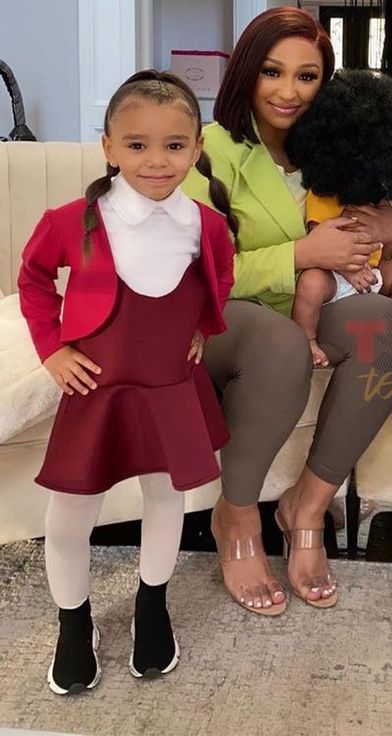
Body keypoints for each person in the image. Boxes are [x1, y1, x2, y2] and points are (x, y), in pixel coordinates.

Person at [183, 8, 392, 612]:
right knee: (282, 341)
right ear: (244, 75)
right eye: (271, 71)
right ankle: (236, 516)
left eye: (307, 76)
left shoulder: (332, 151)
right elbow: (193, 268)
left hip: (313, 304)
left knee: (384, 327)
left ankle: (305, 507)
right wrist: (301, 252)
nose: (288, 91)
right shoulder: (210, 150)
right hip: (230, 317)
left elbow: (369, 234)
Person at [17, 70, 236, 695]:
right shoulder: (71, 220)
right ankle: (72, 620)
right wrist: (53, 348)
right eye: (136, 144)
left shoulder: (206, 224)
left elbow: (220, 279)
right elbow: (34, 280)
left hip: (169, 383)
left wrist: (202, 325)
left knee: (166, 498)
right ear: (108, 147)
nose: (157, 160)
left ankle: (151, 604)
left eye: (174, 144)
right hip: (98, 390)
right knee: (67, 518)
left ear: (196, 150)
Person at [286, 68, 392, 366]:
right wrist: (350, 271)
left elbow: (387, 246)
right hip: (333, 275)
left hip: (370, 275)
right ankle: (307, 339)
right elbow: (322, 241)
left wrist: (382, 253)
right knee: (310, 285)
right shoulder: (323, 193)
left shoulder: (377, 196)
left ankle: (391, 323)